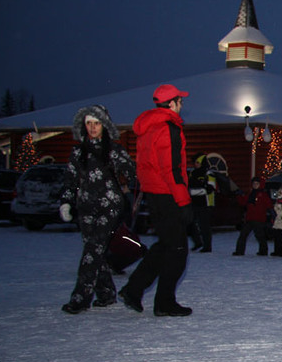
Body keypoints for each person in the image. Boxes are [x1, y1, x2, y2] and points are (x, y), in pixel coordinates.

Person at [118, 84, 193, 316]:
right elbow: (172, 169)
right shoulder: (169, 128)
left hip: (153, 193)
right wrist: (184, 202)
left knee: (165, 245)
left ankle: (134, 288)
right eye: (180, 100)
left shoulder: (148, 127)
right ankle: (164, 302)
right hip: (167, 194)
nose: (182, 104)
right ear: (171, 104)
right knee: (178, 250)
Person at [59, 105, 136, 314]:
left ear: (105, 125)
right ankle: (106, 293)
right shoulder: (78, 151)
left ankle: (80, 297)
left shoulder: (114, 150)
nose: (93, 128)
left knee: (92, 250)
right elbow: (70, 179)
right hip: (85, 206)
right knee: (95, 251)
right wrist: (66, 201)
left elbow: (132, 173)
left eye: (97, 123)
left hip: (109, 206)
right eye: (89, 124)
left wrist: (131, 187)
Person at [233, 176, 273, 256]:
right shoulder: (250, 194)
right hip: (250, 219)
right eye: (254, 183)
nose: (255, 185)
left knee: (260, 236)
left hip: (259, 219)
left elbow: (269, 205)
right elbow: (243, 202)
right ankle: (239, 251)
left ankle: (263, 251)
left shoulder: (263, 195)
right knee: (243, 235)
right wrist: (239, 196)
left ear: (260, 184)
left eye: (257, 184)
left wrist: (271, 212)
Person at [188, 153, 214, 253]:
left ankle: (207, 246)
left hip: (205, 203)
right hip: (194, 203)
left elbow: (210, 189)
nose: (196, 164)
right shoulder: (193, 173)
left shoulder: (208, 173)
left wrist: (196, 190)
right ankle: (198, 242)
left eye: (198, 162)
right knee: (190, 224)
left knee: (205, 226)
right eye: (195, 162)